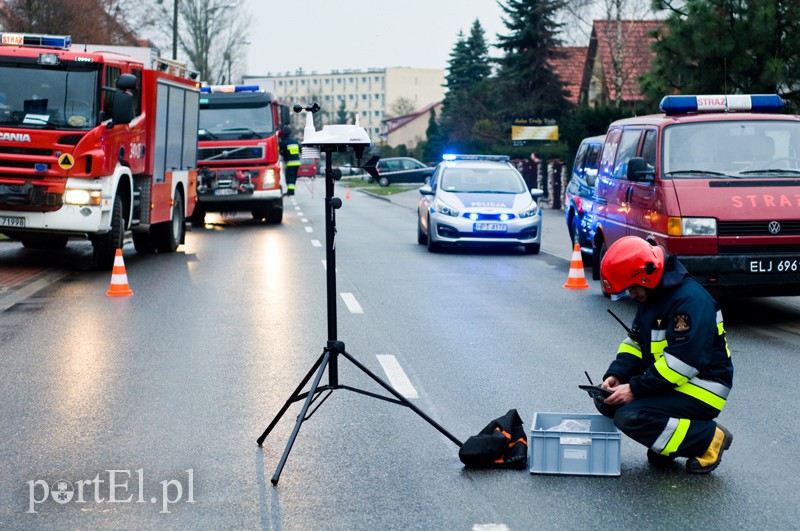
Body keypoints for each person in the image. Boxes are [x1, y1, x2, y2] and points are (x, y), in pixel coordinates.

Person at [595, 236, 734, 474]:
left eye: (632, 288)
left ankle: (708, 438)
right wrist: (617, 375)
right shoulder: (653, 296)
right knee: (606, 401)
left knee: (630, 416)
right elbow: (637, 343)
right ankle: (669, 444)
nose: (631, 295)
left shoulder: (690, 302)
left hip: (701, 388)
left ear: (645, 277)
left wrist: (634, 388)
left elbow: (682, 364)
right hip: (675, 381)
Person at [279, 125, 301, 196]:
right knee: (293, 177)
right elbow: (300, 149)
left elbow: (280, 152)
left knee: (289, 177)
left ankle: (290, 191)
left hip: (290, 163)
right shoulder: (295, 141)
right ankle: (291, 191)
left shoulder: (283, 142)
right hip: (297, 162)